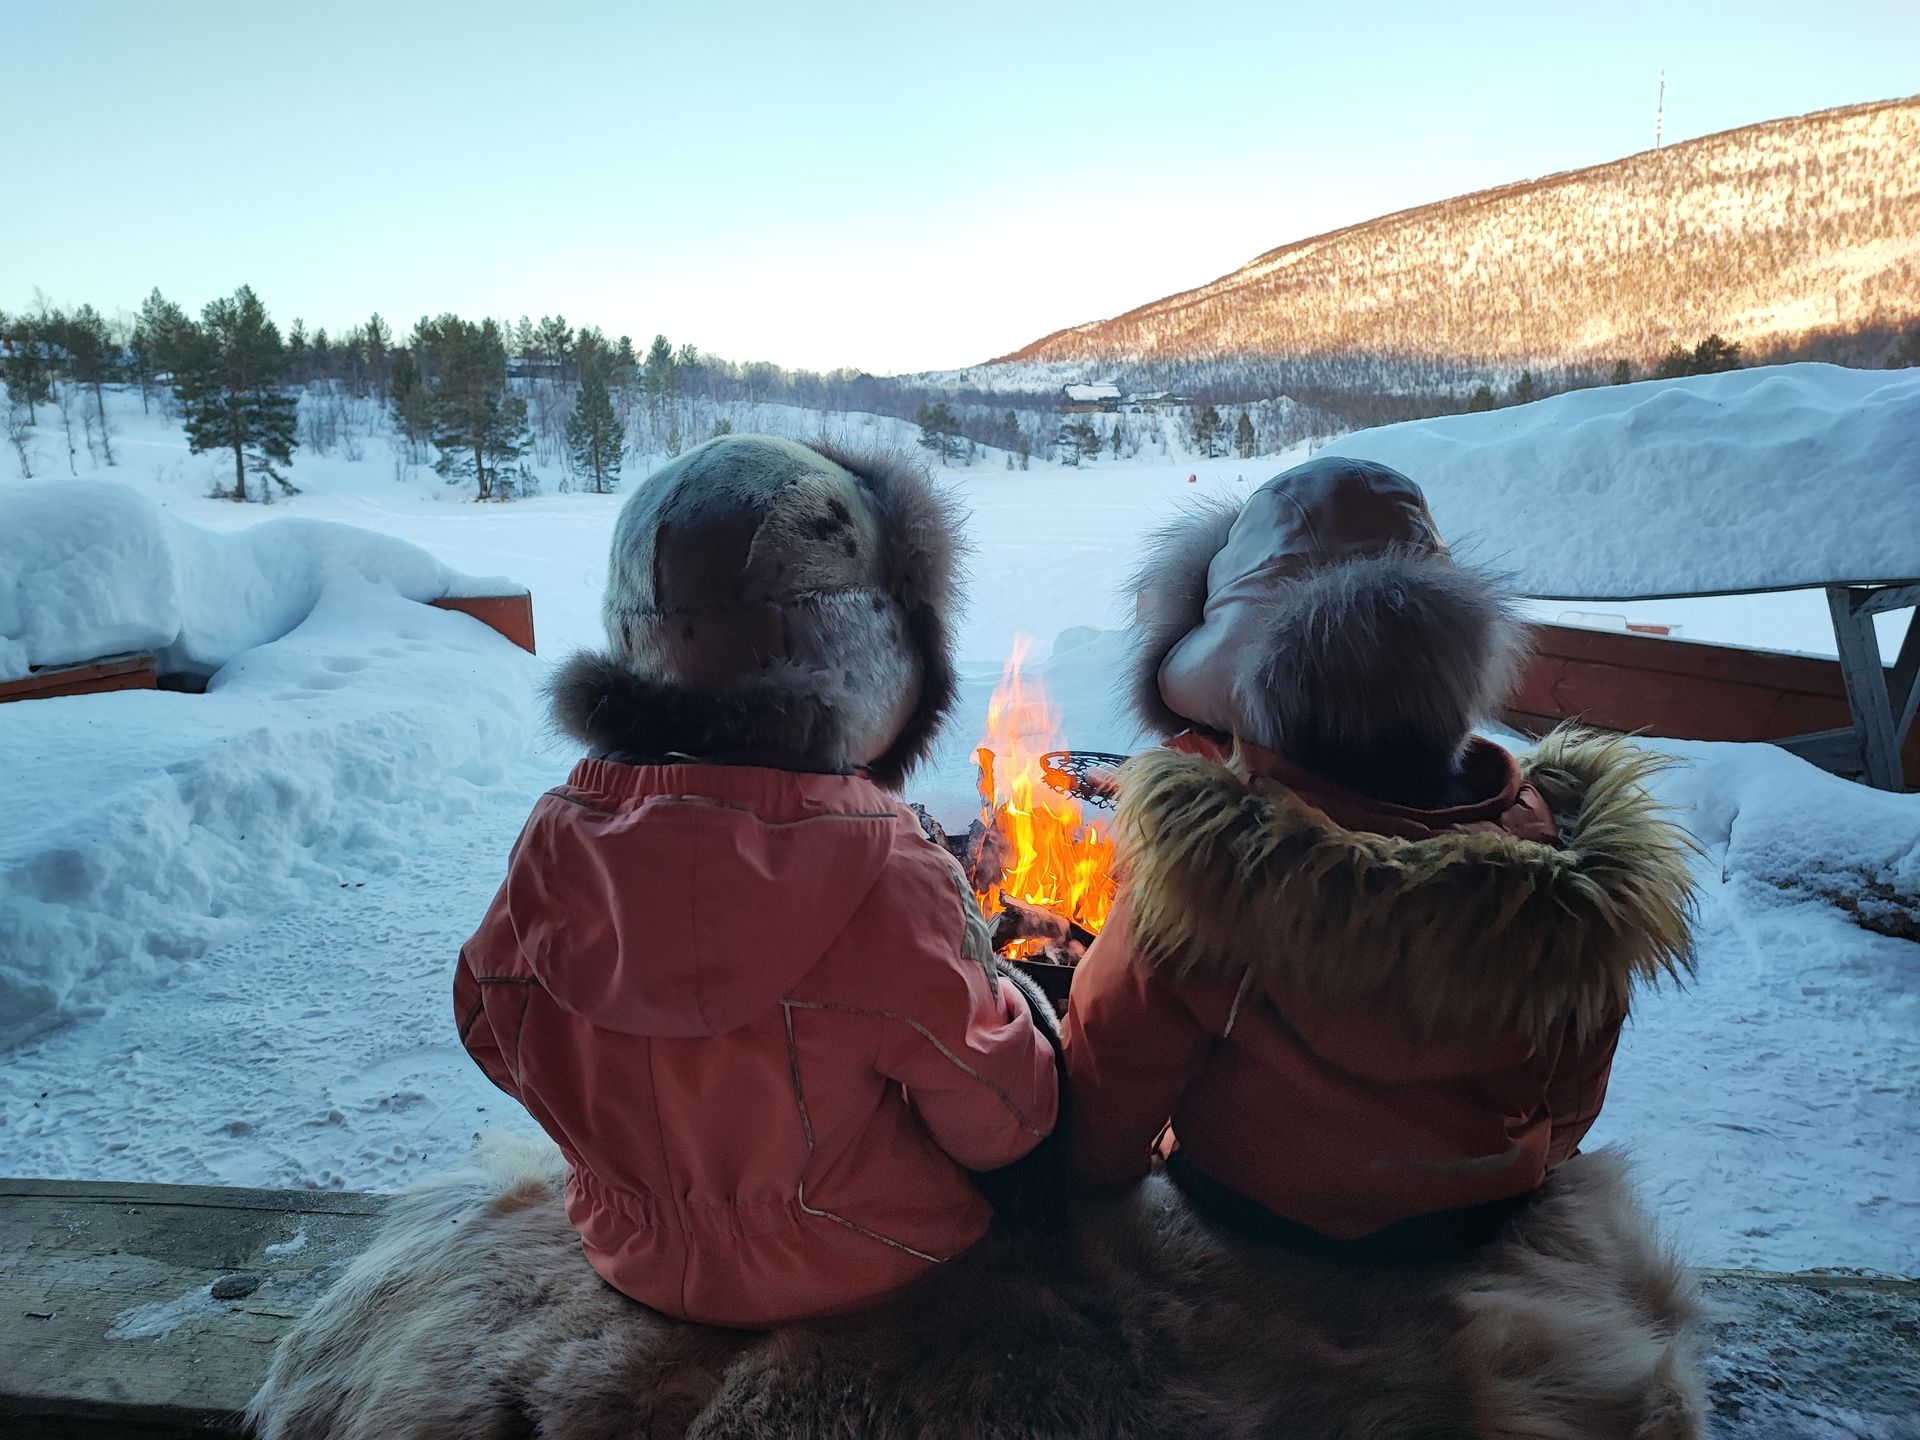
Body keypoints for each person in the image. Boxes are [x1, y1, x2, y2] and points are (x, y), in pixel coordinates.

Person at [454, 435, 1059, 1327]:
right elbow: (1003, 1118)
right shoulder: (885, 874)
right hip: (875, 1264)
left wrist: (624, 1142)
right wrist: (1022, 1011)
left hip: (636, 1256)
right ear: (874, 660)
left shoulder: (552, 853)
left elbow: (487, 1020)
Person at [1062, 455, 1696, 1261]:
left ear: (1240, 700)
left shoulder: (1217, 874)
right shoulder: (1563, 868)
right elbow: (1570, 1087)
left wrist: (1096, 1180)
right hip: (1478, 1217)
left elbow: (1113, 1073)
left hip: (1252, 1213)